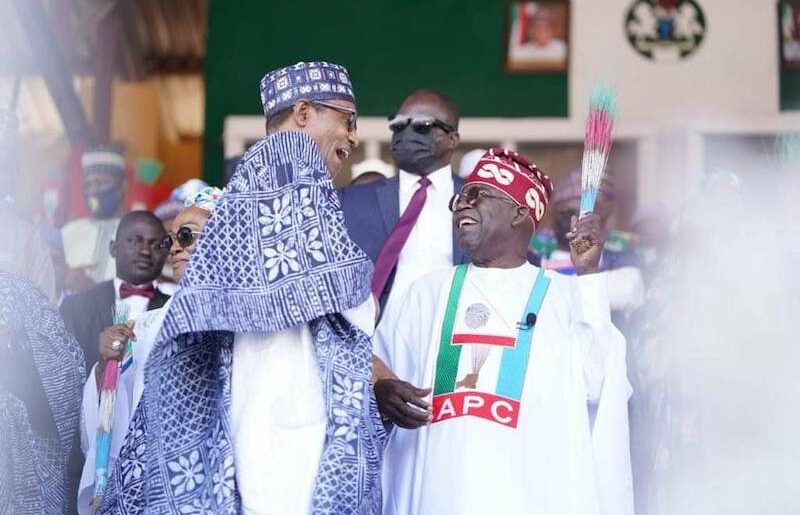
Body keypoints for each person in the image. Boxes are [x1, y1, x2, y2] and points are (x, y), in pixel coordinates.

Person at [98, 61, 385, 514]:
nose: (352, 136)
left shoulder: (244, 192)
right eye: (347, 120)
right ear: (305, 113)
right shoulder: (291, 173)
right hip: (285, 432)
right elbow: (345, 293)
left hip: (258, 418)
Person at [374, 148, 633, 515]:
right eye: (459, 198)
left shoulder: (564, 295)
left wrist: (588, 277)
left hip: (531, 496)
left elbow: (600, 386)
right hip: (436, 494)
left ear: (520, 212)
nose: (462, 205)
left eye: (477, 195)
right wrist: (381, 392)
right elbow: (377, 373)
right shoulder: (426, 293)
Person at [76, 187, 223, 514]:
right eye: (172, 239)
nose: (175, 249)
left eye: (187, 236)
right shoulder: (143, 327)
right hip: (150, 491)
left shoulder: (248, 325)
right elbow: (112, 421)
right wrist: (106, 368)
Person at [340, 89, 467, 313]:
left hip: (451, 337)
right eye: (398, 125)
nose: (407, 133)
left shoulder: (478, 200)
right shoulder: (352, 201)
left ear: (452, 139)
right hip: (375, 340)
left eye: (422, 126)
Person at [60, 211, 171, 371]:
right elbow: (62, 373)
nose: (145, 251)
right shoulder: (76, 308)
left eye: (155, 245)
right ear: (113, 248)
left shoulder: (174, 311)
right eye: (134, 241)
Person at [537, 170, 644, 315]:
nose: (572, 219)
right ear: (552, 214)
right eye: (565, 212)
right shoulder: (533, 254)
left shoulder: (618, 256)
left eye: (579, 213)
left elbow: (627, 293)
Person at [61, 145, 128, 292]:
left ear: (122, 187)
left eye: (101, 182)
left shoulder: (136, 233)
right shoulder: (69, 232)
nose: (93, 190)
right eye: (88, 184)